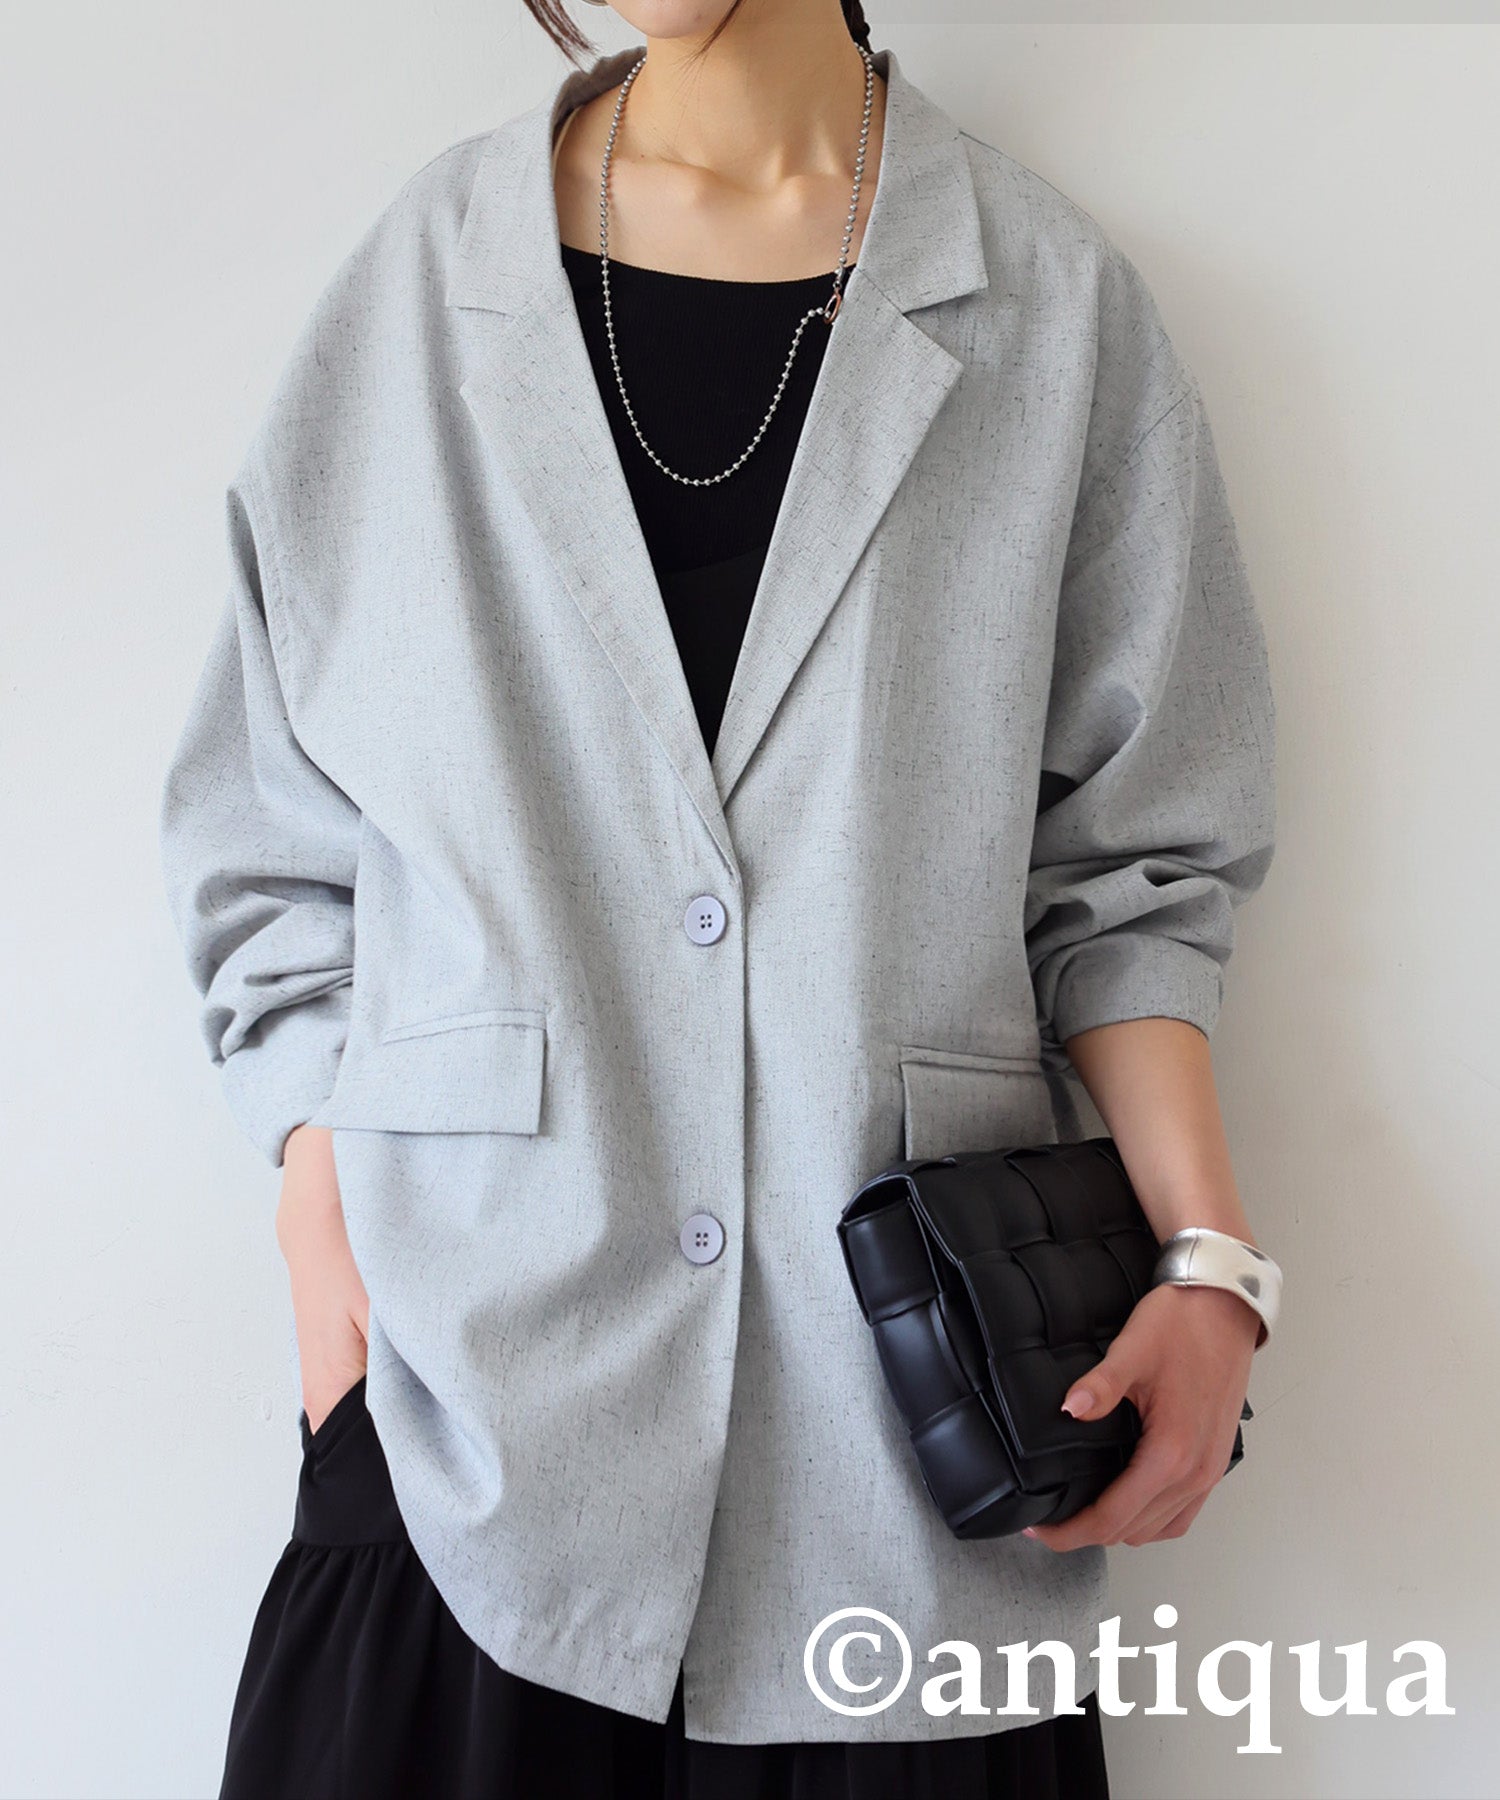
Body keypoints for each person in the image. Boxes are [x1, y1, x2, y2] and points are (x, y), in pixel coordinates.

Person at [157, 2, 1280, 1795]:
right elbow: (270, 818)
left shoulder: (1053, 305)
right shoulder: (430, 283)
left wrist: (1213, 1264)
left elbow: (1132, 871)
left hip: (903, 1463)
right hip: (469, 1428)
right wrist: (315, 1204)